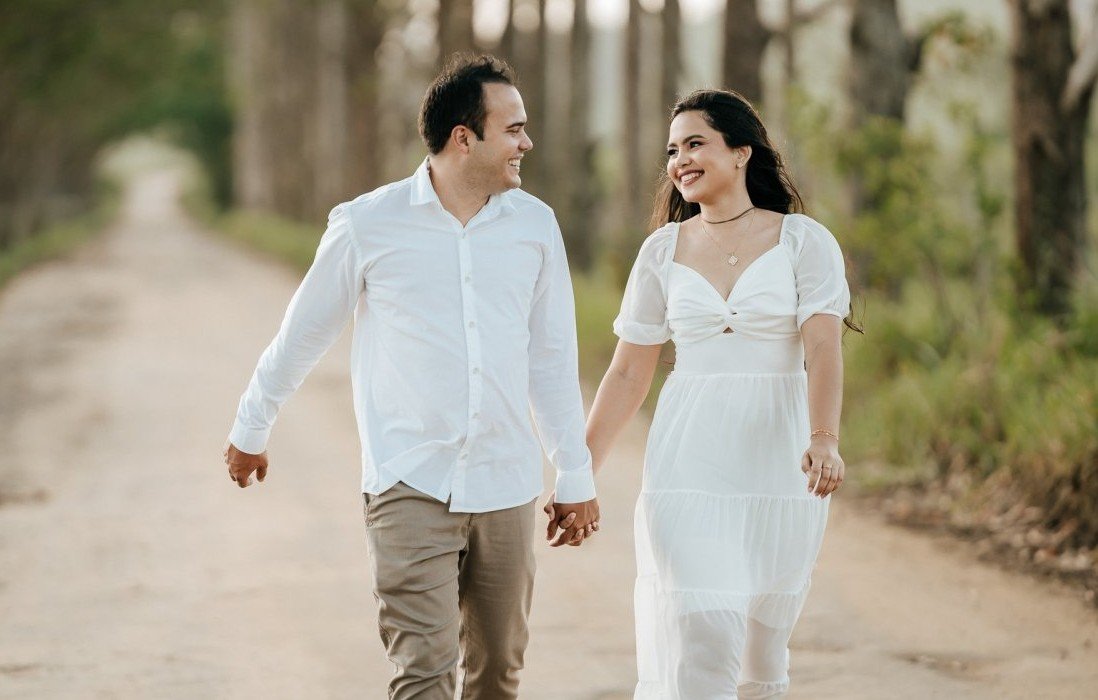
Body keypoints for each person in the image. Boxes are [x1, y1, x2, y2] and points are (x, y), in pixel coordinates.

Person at [223, 54, 599, 699]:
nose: (526, 143)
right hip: (409, 481)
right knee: (423, 675)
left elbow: (552, 359)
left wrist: (575, 473)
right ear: (464, 137)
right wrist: (251, 425)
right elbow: (304, 333)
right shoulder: (367, 223)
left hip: (506, 481)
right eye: (513, 129)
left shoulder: (535, 225)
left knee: (498, 674)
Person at [576, 89, 854, 698]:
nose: (680, 160)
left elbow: (823, 347)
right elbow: (627, 374)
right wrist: (579, 472)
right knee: (704, 634)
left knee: (761, 657)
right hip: (688, 464)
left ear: (741, 152)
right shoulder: (661, 250)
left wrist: (824, 438)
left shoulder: (804, 242)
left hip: (778, 466)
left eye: (695, 144)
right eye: (672, 150)